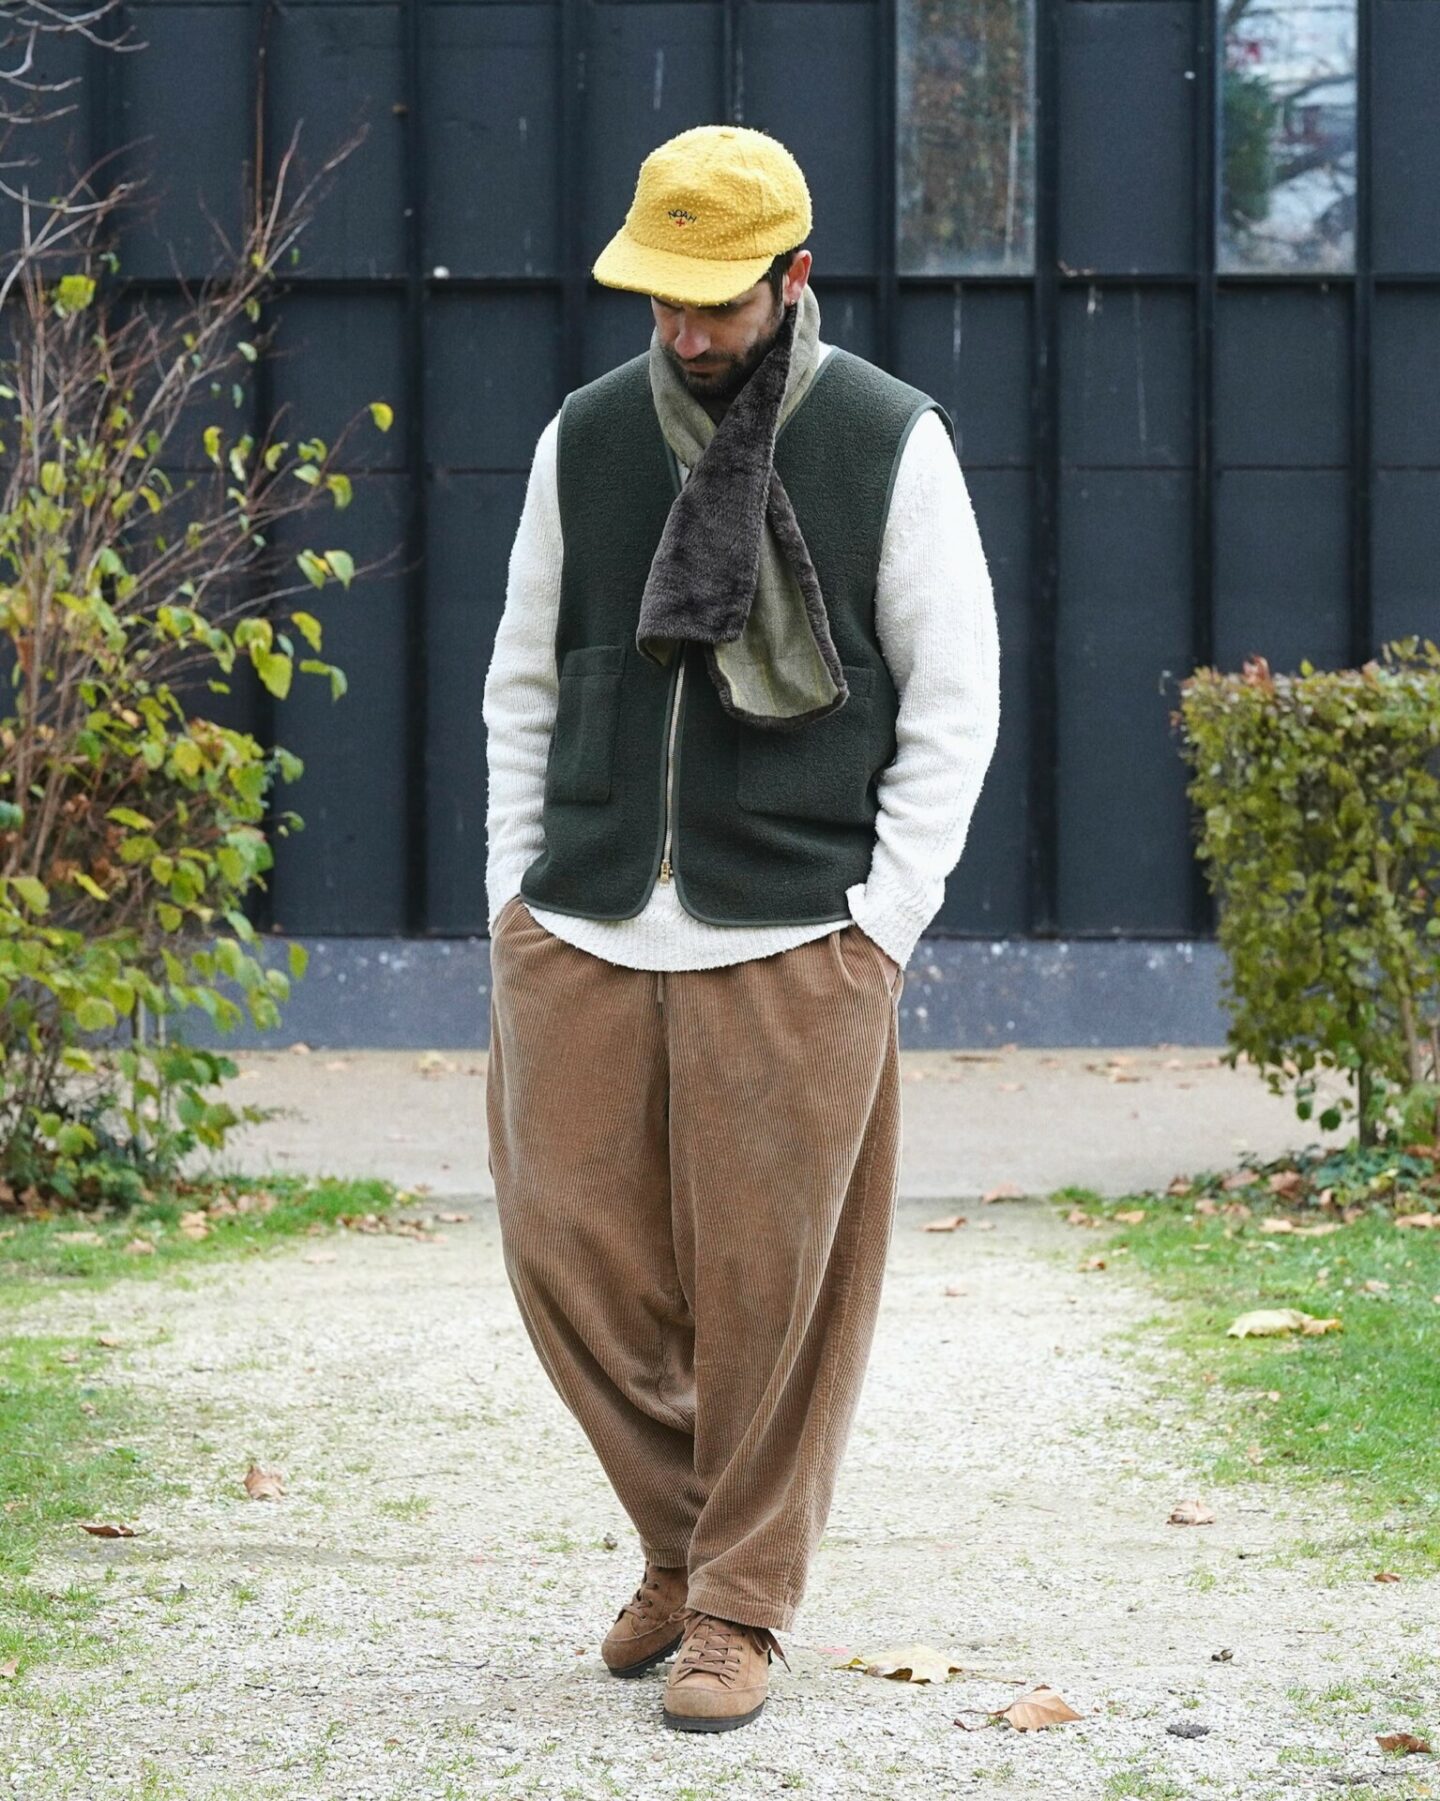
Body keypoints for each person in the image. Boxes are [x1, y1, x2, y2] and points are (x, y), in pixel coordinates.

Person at [482, 122, 1001, 1733]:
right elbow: (525, 678)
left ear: (792, 278)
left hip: (796, 932)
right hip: (584, 917)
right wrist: (516, 895)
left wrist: (883, 924)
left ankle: (737, 1610)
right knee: (564, 1254)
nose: (689, 332)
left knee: (777, 1292)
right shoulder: (582, 438)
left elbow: (955, 702)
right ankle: (684, 1537)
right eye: (664, 301)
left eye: (717, 301)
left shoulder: (886, 439)